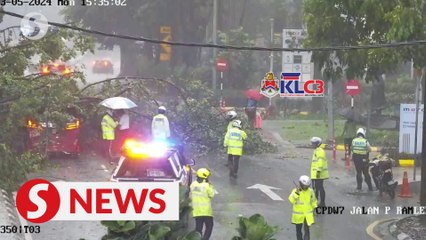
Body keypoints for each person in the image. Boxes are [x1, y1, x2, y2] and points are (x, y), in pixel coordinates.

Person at [288, 175, 317, 240]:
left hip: (307, 215)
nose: (305, 187)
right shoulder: (295, 191)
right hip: (298, 216)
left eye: (307, 186)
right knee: (298, 231)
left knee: (307, 231)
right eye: (304, 186)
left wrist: (315, 208)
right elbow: (291, 200)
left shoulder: (310, 191)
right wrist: (297, 193)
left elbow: (313, 201)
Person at [190, 168, 215, 240]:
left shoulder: (193, 185)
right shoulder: (207, 186)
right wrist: (210, 185)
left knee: (198, 228)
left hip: (196, 211)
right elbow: (212, 194)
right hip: (206, 211)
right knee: (209, 226)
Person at [310, 137, 328, 207]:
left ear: (317, 144)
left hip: (318, 174)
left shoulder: (320, 151)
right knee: (318, 188)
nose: (312, 145)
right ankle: (319, 202)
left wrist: (318, 172)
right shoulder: (317, 151)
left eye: (313, 144)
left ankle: (321, 203)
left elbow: (320, 163)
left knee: (319, 188)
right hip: (316, 174)